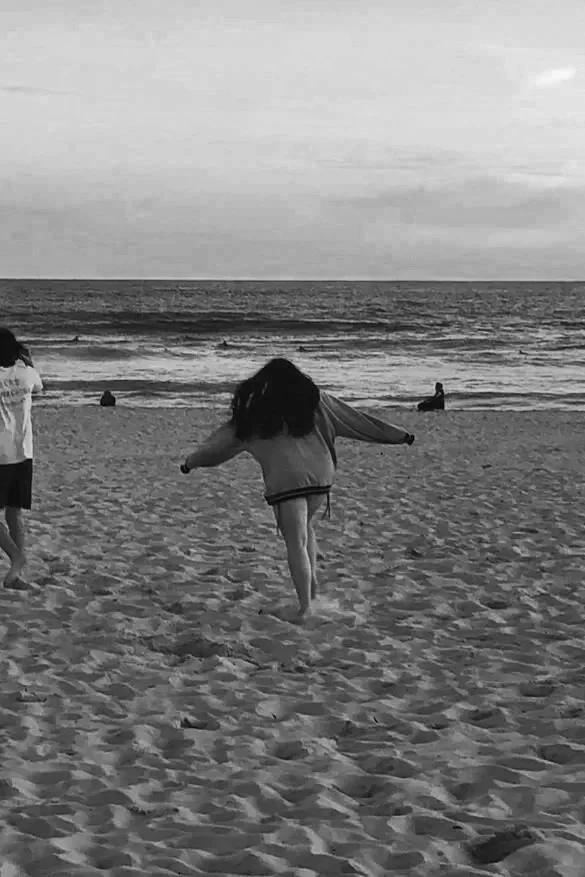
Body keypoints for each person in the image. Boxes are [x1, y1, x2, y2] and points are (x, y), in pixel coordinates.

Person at [180, 358, 414, 622]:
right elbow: (359, 421)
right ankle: (311, 595)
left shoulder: (255, 411)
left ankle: (305, 608)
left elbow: (216, 447)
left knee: (296, 542)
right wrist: (400, 435)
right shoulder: (317, 401)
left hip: (286, 480)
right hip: (321, 475)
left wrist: (190, 462)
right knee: (307, 532)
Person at [0, 329, 44, 588]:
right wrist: (28, 362)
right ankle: (16, 574)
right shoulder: (27, 373)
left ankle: (17, 557)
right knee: (14, 513)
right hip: (23, 451)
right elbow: (39, 388)